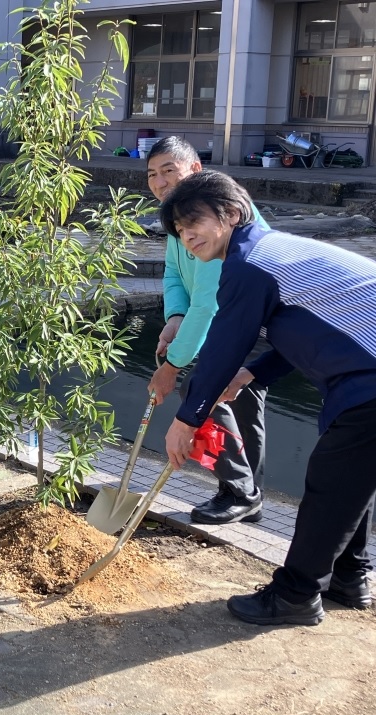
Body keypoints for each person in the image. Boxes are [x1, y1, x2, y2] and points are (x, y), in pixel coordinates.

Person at [159, 170, 376, 625]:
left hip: (368, 382)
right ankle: (349, 577)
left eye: (192, 221)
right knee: (348, 482)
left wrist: (186, 419)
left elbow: (224, 345)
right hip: (361, 376)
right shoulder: (272, 253)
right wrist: (253, 372)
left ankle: (295, 596)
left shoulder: (250, 262)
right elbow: (312, 329)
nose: (186, 235)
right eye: (179, 230)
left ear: (232, 214)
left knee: (331, 485)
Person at [145, 137, 269, 524]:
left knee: (206, 390)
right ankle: (245, 493)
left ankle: (240, 490)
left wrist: (171, 367)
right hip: (233, 320)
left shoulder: (211, 216)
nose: (160, 181)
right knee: (239, 401)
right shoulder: (179, 218)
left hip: (251, 321)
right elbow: (174, 275)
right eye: (152, 174)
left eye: (169, 170)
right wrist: (174, 318)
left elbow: (208, 303)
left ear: (195, 170)